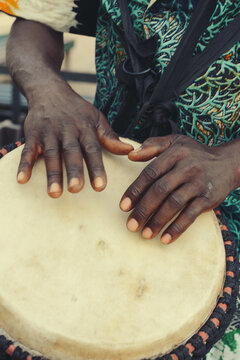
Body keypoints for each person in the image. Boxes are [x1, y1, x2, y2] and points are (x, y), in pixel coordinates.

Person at [0, 0, 240, 358]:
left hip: (223, 212)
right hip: (96, 175)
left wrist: (230, 161)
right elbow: (37, 18)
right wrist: (46, 88)